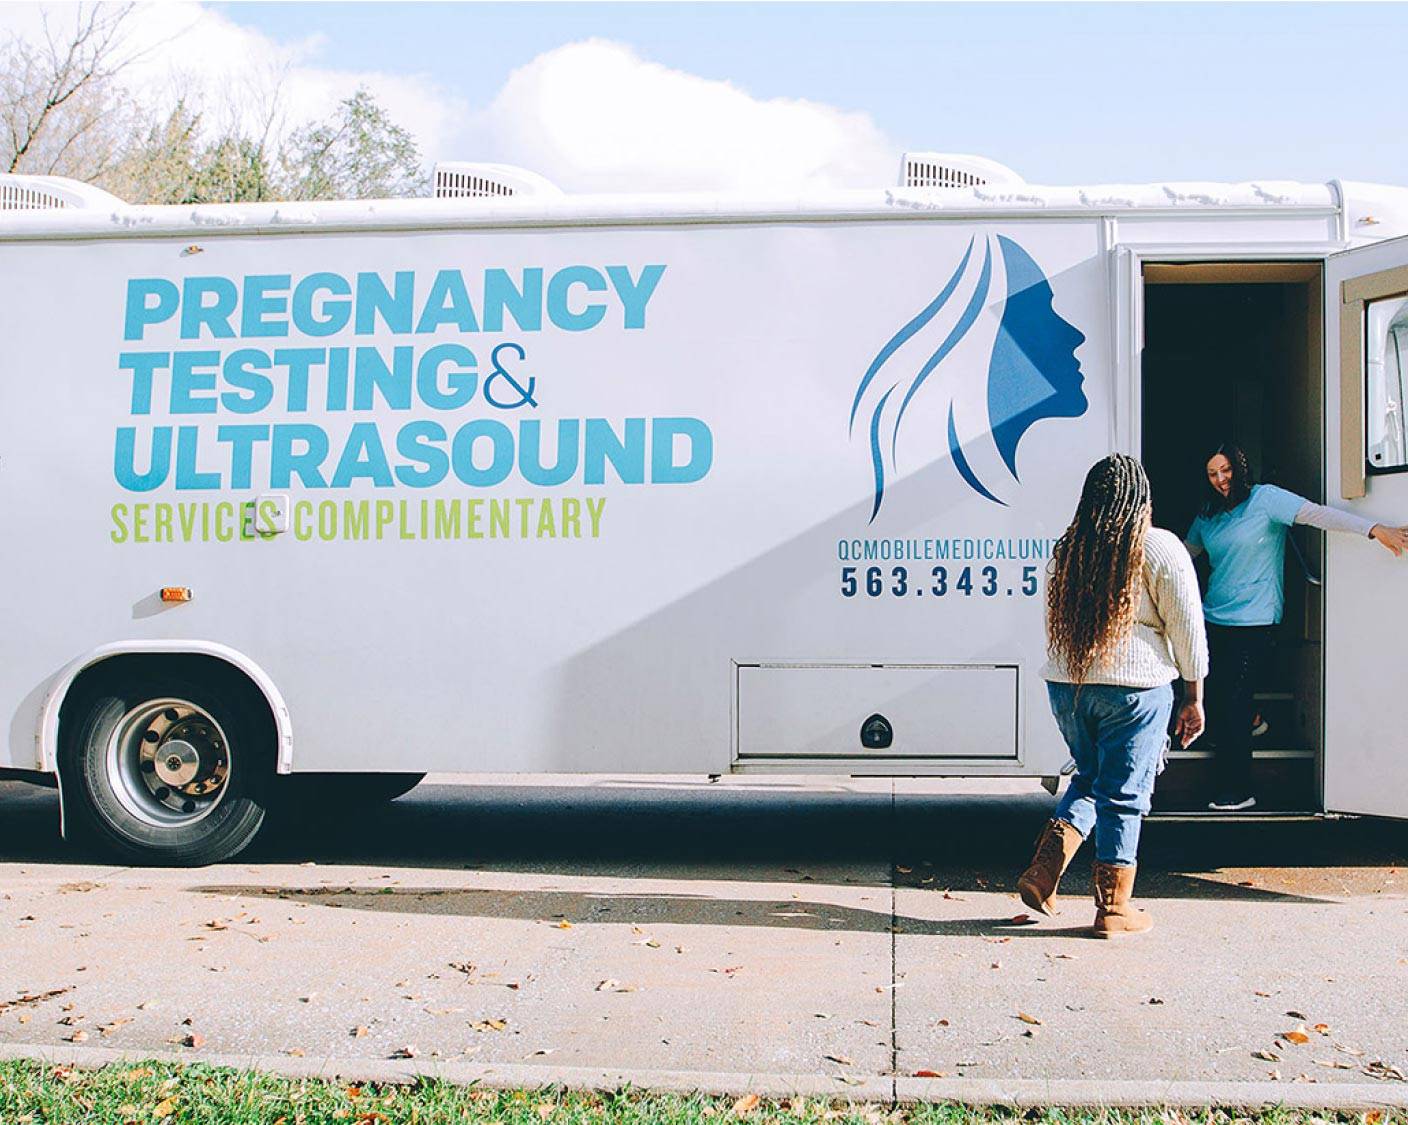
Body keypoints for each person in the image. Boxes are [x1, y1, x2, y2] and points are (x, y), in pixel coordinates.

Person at [1017, 454, 1208, 938]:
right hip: (1134, 691)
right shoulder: (1159, 548)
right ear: (1141, 498)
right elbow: (1187, 628)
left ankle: (1043, 872)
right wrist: (1194, 693)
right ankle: (1113, 910)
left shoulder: (1069, 550)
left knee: (1094, 777)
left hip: (1069, 687)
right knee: (1123, 796)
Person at [1186, 442, 1408, 811]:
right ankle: (1253, 720)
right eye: (1212, 474)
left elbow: (1319, 515)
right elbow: (1183, 553)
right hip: (1213, 615)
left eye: (1225, 471)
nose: (1220, 480)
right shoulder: (1208, 514)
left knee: (1233, 700)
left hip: (1256, 618)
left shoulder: (1266, 500)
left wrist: (1374, 529)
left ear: (1240, 469)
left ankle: (1238, 790)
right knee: (1218, 694)